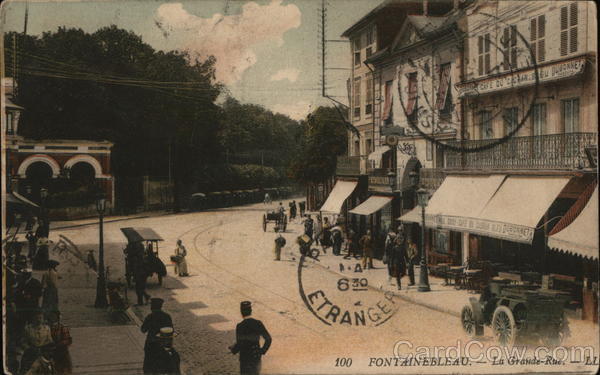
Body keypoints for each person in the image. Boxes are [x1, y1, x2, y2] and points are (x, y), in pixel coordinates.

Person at [229, 301, 272, 375]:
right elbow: (268, 339)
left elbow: (240, 344)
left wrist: (233, 349)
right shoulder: (258, 323)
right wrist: (262, 351)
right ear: (251, 311)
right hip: (256, 357)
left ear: (241, 312)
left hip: (245, 359)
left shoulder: (240, 326)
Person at [141, 298, 173, 374]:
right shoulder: (167, 316)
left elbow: (143, 329)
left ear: (152, 307)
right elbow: (171, 330)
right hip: (162, 345)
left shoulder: (150, 316)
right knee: (162, 366)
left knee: (149, 366)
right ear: (160, 306)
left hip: (151, 345)